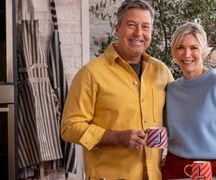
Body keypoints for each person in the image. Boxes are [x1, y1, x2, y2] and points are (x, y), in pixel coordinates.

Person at [61, 0, 173, 179]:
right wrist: (115, 137)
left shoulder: (162, 72)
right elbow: (69, 127)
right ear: (117, 28)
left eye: (145, 26)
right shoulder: (91, 74)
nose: (138, 33)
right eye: (131, 25)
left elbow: (177, 121)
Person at [161, 22, 216, 180]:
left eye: (194, 48)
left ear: (203, 49)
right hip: (174, 171)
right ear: (174, 51)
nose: (187, 54)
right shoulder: (171, 90)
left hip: (214, 172)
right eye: (180, 47)